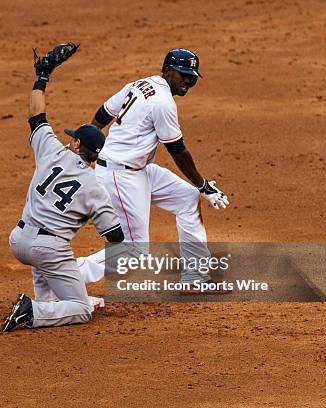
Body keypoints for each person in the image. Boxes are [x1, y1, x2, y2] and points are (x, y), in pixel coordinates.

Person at [76, 48, 230, 290]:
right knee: (135, 251)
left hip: (140, 170)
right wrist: (203, 185)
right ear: (168, 70)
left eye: (192, 77)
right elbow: (177, 150)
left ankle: (195, 277)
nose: (188, 82)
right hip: (121, 176)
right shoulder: (162, 103)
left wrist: (88, 138)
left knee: (187, 199)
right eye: (183, 75)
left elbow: (103, 113)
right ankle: (67, 275)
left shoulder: (139, 84)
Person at [2, 43, 124, 332]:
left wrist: (41, 76)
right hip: (49, 249)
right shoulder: (95, 188)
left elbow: (36, 115)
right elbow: (116, 236)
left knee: (50, 255)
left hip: (18, 239)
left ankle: (45, 302)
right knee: (82, 309)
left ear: (77, 144)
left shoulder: (51, 150)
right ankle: (32, 311)